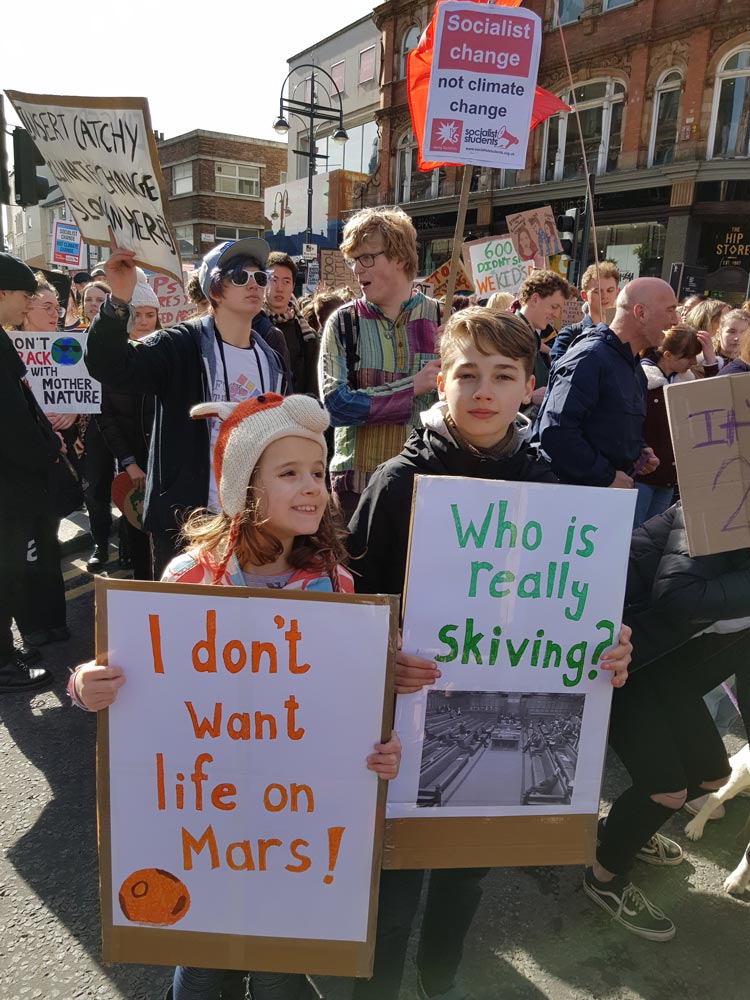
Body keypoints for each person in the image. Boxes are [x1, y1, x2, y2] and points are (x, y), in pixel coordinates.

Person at [68, 392, 402, 1000]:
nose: (312, 487)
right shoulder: (191, 579)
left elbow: (352, 699)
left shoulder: (336, 582)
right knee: (199, 959)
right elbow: (136, 675)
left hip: (296, 814)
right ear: (243, 489)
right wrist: (88, 683)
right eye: (289, 473)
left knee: (279, 963)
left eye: (319, 473)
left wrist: (381, 748)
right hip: (204, 811)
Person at [348, 307, 631, 999]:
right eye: (466, 373)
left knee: (464, 877)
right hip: (405, 724)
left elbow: (575, 602)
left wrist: (609, 644)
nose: (484, 390)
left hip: (501, 721)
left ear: (529, 388)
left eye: (503, 375)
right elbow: (351, 603)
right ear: (437, 383)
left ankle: (439, 981)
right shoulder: (395, 484)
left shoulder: (554, 490)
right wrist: (381, 655)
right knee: (391, 882)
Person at [585, 501, 749, 941]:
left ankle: (619, 829)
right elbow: (677, 596)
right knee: (668, 789)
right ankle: (604, 877)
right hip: (614, 654)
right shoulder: (719, 500)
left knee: (714, 776)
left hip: (665, 667)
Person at [85, 237, 291, 579]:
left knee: (237, 624)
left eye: (260, 277)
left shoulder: (271, 359)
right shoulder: (180, 344)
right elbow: (109, 366)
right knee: (182, 625)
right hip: (187, 522)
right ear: (215, 288)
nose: (253, 285)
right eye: (240, 277)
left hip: (250, 520)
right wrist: (119, 298)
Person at [318, 206, 442, 522]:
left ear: (400, 258)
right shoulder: (343, 323)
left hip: (423, 483)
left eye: (367, 258)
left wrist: (455, 373)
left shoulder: (443, 320)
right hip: (356, 486)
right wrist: (412, 387)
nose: (357, 270)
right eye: (353, 260)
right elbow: (336, 406)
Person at [534, 277, 678, 489]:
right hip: (573, 505)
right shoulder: (589, 358)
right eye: (670, 310)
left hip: (601, 503)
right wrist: (606, 476)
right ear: (641, 313)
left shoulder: (635, 368)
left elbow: (610, 429)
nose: (675, 320)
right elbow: (556, 433)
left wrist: (638, 450)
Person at [0, 253, 57, 691]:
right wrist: (46, 450)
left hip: (12, 482)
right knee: (5, 570)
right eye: (24, 295)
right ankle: (2, 665)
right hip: (8, 486)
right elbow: (12, 422)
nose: (28, 303)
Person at [13, 276, 75, 648]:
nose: (55, 313)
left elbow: (86, 396)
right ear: (25, 311)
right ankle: (32, 623)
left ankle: (55, 618)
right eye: (46, 307)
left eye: (58, 307)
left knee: (48, 540)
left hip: (58, 456)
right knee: (25, 546)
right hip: (23, 463)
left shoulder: (69, 347)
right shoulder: (10, 350)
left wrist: (73, 416)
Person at [96, 271, 160, 579]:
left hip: (163, 465)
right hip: (132, 467)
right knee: (137, 539)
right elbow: (106, 418)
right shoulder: (112, 360)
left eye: (151, 314)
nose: (144, 321)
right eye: (137, 314)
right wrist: (129, 463)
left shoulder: (167, 355)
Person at [633, 324, 707, 526]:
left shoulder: (684, 382)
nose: (693, 363)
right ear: (667, 355)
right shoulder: (643, 381)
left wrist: (710, 360)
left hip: (668, 477)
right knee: (633, 534)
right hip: (642, 475)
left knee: (654, 539)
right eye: (688, 357)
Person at [512, 270, 571, 409]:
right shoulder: (513, 334)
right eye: (554, 307)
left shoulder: (529, 334)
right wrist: (530, 395)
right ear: (535, 299)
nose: (557, 314)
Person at [263, 252, 319, 395]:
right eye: (273, 280)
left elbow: (313, 387)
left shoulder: (307, 335)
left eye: (286, 281)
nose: (279, 288)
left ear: (293, 286)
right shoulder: (252, 326)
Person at [549, 262, 620, 366]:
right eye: (597, 291)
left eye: (610, 290)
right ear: (584, 295)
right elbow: (558, 374)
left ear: (617, 292)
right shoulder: (569, 335)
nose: (604, 296)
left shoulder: (622, 336)